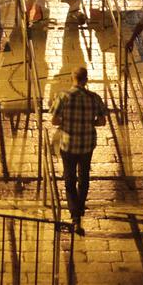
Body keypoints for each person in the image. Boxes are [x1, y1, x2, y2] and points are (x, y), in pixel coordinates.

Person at [51, 66, 108, 236]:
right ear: (86, 79)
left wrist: (67, 122)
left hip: (68, 145)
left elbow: (54, 120)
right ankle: (80, 209)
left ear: (72, 78)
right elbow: (102, 121)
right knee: (84, 177)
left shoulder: (63, 96)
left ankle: (75, 216)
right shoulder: (94, 98)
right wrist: (89, 124)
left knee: (69, 179)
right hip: (87, 144)